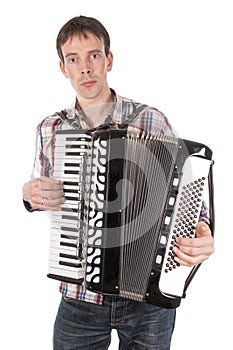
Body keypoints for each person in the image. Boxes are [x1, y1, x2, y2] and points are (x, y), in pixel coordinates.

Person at [22, 16, 214, 350]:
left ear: (108, 60)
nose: (85, 68)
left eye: (93, 56)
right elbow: (43, 194)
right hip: (79, 297)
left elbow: (190, 202)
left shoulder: (150, 119)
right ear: (62, 68)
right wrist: (29, 195)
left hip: (147, 300)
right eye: (74, 59)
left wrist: (202, 233)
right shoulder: (50, 128)